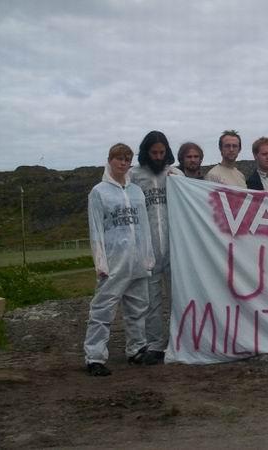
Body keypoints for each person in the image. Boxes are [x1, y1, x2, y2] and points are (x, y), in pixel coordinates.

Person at [84, 143, 155, 376]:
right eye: (119, 159)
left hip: (137, 260)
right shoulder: (99, 192)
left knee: (138, 307)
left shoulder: (136, 191)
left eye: (127, 159)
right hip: (115, 260)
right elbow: (96, 230)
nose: (123, 163)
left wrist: (147, 256)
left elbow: (144, 226)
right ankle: (94, 357)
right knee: (103, 309)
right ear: (110, 160)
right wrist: (100, 262)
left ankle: (136, 349)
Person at [130, 130, 184, 365]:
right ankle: (154, 345)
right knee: (151, 299)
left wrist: (178, 180)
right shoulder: (134, 176)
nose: (158, 157)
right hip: (148, 247)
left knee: (177, 295)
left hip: (175, 246)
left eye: (162, 152)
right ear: (146, 152)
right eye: (154, 153)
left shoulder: (175, 174)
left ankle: (179, 339)